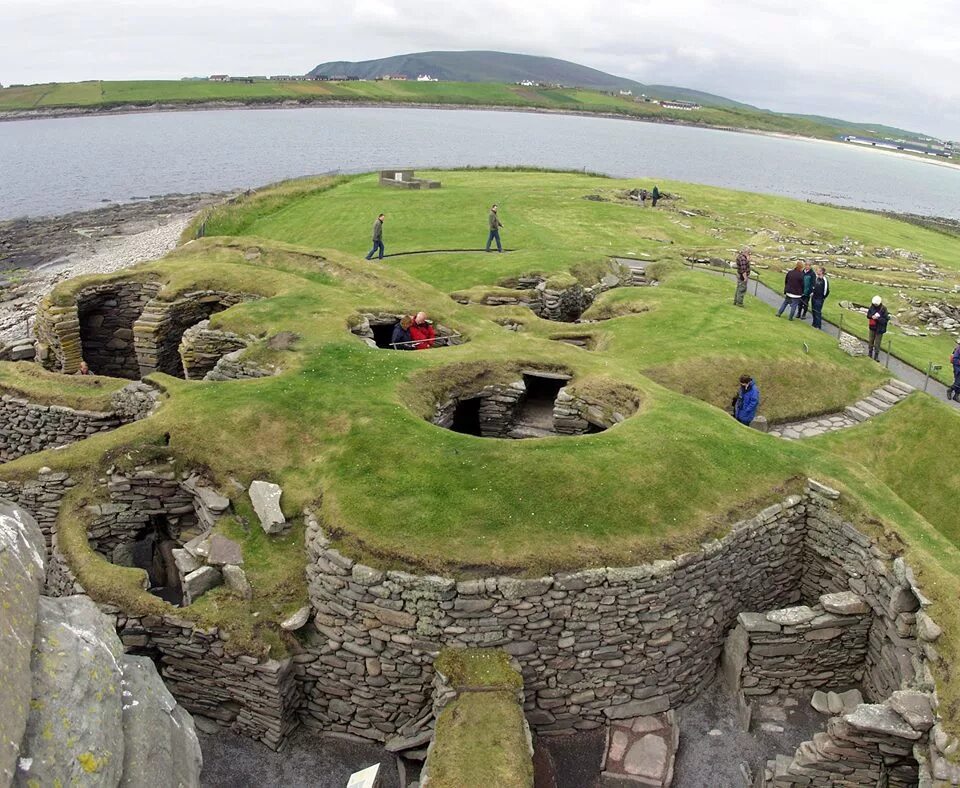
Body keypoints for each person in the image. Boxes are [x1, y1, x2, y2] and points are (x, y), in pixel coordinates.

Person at [866, 295, 889, 361]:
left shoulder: (883, 309)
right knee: (871, 341)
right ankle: (870, 353)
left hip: (880, 329)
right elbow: (868, 315)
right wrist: (872, 317)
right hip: (872, 327)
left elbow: (885, 320)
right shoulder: (872, 307)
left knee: (877, 343)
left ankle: (876, 356)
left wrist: (878, 318)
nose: (875, 305)